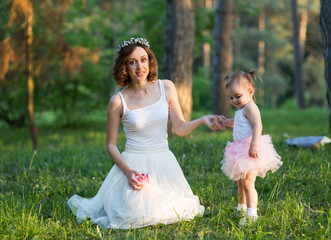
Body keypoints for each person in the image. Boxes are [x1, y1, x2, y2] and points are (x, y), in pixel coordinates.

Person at [67, 37, 223, 229]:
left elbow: (180, 128)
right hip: (134, 165)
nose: (139, 66)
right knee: (133, 213)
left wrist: (201, 120)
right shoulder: (118, 101)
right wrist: (128, 172)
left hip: (164, 163)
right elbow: (110, 145)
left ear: (150, 61)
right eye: (132, 62)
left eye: (143, 59)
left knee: (175, 210)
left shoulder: (166, 87)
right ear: (125, 67)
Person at [220, 70, 282, 226]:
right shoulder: (242, 109)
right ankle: (241, 207)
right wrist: (225, 122)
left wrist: (254, 145)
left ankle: (252, 214)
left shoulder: (251, 108)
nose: (234, 100)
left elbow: (257, 125)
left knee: (248, 183)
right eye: (230, 97)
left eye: (237, 96)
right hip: (239, 149)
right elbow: (238, 121)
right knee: (240, 182)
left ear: (251, 91)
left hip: (249, 149)